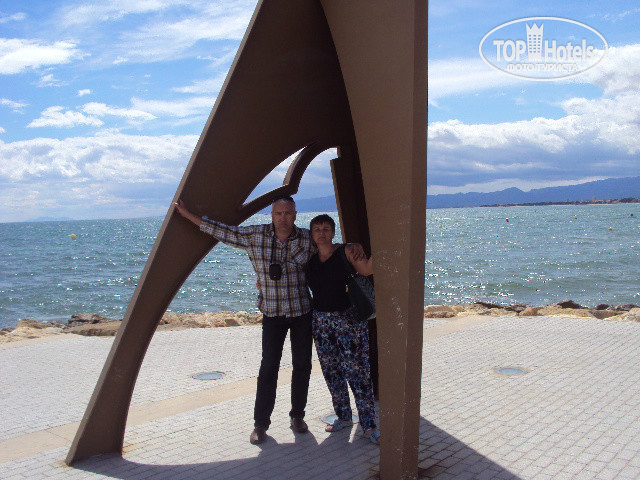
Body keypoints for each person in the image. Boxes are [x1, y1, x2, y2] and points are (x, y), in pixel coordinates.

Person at [174, 196, 362, 445]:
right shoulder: (255, 235)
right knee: (268, 368)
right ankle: (261, 424)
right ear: (271, 215)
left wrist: (353, 245)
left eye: (288, 213)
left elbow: (330, 246)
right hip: (272, 313)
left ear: (295, 215)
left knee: (302, 366)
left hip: (302, 312)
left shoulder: (307, 238)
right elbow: (222, 231)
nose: (283, 218)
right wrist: (187, 215)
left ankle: (297, 416)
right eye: (278, 214)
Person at [306, 214, 380, 444]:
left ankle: (369, 425)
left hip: (348, 320)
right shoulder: (309, 259)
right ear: (312, 234)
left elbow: (366, 270)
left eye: (326, 229)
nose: (321, 233)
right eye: (317, 229)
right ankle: (344, 417)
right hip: (320, 321)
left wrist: (383, 244)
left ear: (333, 232)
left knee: (358, 373)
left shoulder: (346, 252)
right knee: (332, 371)